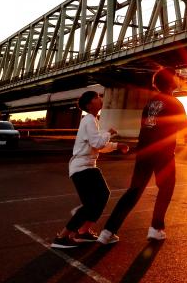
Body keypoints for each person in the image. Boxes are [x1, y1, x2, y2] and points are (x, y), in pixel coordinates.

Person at [97, 67, 187, 244]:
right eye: (177, 77)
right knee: (166, 188)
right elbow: (186, 131)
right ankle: (156, 228)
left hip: (144, 151)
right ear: (172, 82)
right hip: (163, 153)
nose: (179, 79)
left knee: (134, 191)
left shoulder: (150, 103)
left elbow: (146, 127)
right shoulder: (175, 103)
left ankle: (107, 232)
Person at [51, 90, 129, 249]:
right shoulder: (89, 120)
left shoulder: (92, 120)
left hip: (86, 166)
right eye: (96, 97)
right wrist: (110, 133)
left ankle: (83, 231)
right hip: (82, 167)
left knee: (100, 198)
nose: (100, 99)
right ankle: (62, 237)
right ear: (89, 104)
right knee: (93, 202)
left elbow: (98, 144)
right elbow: (98, 143)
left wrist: (116, 146)